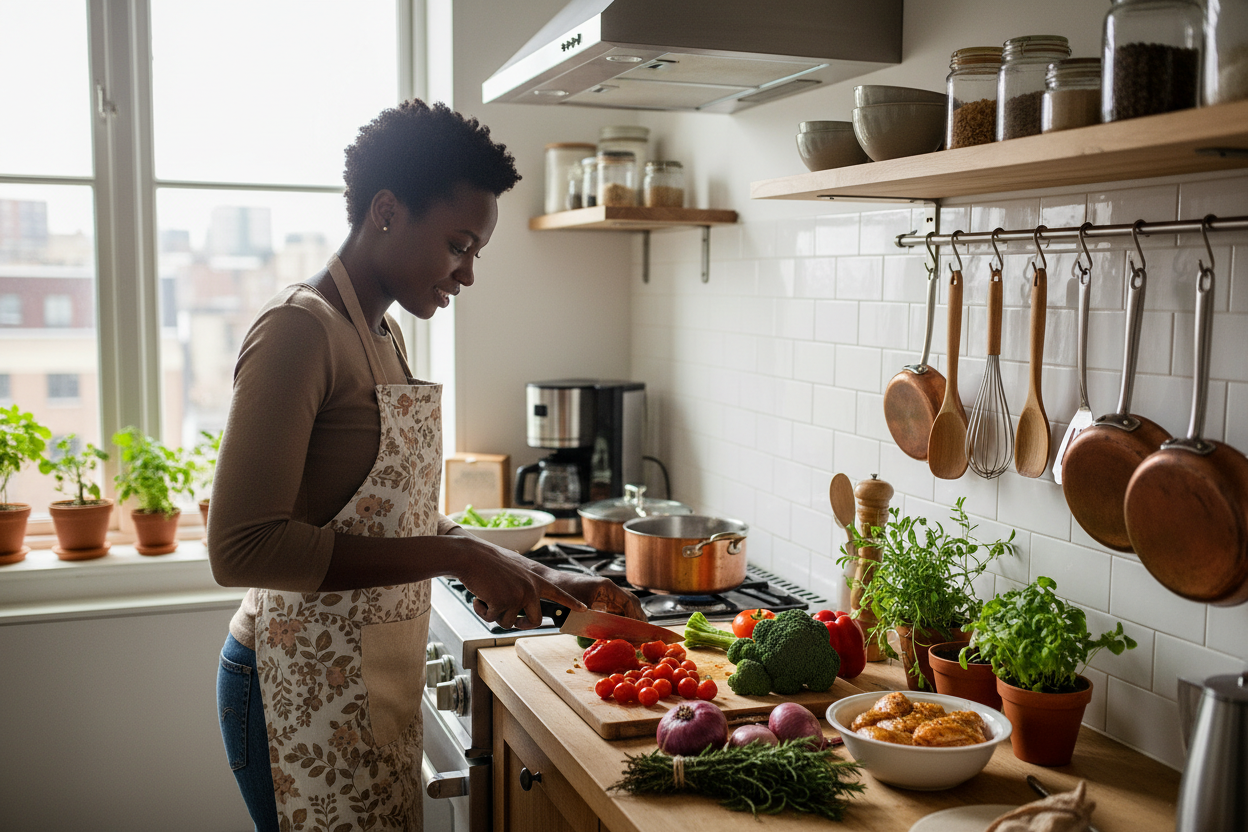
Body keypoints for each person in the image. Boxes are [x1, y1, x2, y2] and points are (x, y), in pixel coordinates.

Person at [208, 99, 643, 832]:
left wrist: (546, 579)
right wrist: (453, 554)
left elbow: (396, 514)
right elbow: (240, 546)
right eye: (458, 245)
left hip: (364, 679)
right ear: (386, 211)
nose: (467, 273)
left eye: (475, 252)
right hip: (292, 687)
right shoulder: (298, 331)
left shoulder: (382, 333)